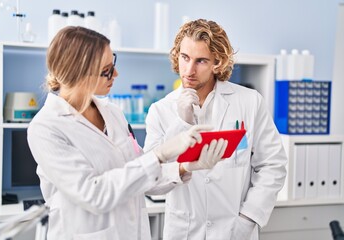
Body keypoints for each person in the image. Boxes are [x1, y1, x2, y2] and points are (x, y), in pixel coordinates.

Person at [27, 26, 228, 240]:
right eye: (106, 70)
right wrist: (160, 153)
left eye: (113, 63)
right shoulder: (46, 128)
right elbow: (94, 195)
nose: (116, 73)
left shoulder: (112, 113)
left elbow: (140, 175)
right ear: (78, 72)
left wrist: (183, 167)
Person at [144, 19, 288, 240]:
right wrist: (182, 124)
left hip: (234, 230)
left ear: (218, 62)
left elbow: (273, 165)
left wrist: (248, 219)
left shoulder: (249, 102)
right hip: (184, 232)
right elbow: (151, 181)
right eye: (185, 58)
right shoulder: (160, 110)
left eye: (201, 61)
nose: (189, 70)